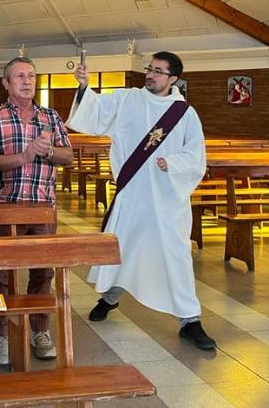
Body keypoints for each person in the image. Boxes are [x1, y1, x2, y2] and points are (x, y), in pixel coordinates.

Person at [67, 51, 216, 351]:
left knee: (175, 255)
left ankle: (190, 320)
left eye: (158, 71)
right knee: (125, 248)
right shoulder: (128, 99)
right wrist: (84, 87)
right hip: (132, 194)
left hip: (166, 200)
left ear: (173, 79)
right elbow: (96, 111)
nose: (151, 74)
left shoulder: (184, 113)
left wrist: (172, 163)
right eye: (150, 69)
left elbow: (196, 159)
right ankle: (109, 298)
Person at [0, 56, 73, 365]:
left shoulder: (51, 117)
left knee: (43, 272)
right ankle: (1, 334)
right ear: (6, 83)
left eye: (31, 75)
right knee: (1, 275)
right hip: (4, 207)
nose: (27, 81)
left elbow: (68, 155)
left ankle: (39, 330)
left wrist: (50, 151)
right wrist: (24, 155)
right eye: (19, 76)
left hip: (43, 207)